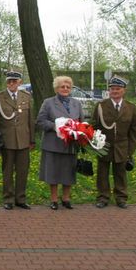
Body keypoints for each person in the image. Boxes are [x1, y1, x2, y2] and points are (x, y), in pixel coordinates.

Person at [37, 76, 83, 210]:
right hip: (53, 144)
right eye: (62, 86)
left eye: (68, 87)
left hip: (70, 144)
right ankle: (54, 199)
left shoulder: (76, 103)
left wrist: (79, 130)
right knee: (53, 172)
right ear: (57, 88)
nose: (65, 89)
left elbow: (81, 121)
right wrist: (56, 126)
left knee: (69, 172)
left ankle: (66, 198)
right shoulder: (48, 102)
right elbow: (40, 121)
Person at [93, 76, 136, 209]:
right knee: (102, 174)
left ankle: (121, 198)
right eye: (112, 89)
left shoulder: (130, 107)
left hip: (122, 146)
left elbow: (133, 131)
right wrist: (96, 145)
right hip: (104, 145)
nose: (115, 91)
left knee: (120, 174)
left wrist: (131, 150)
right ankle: (103, 197)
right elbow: (95, 126)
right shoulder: (101, 106)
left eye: (118, 89)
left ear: (123, 90)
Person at [0, 71, 35, 210]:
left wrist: (32, 140)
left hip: (23, 139)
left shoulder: (27, 97)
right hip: (7, 140)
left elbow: (30, 120)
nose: (11, 84)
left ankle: (21, 199)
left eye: (14, 81)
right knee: (7, 171)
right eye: (9, 81)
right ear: (6, 82)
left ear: (20, 82)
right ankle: (8, 199)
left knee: (23, 170)